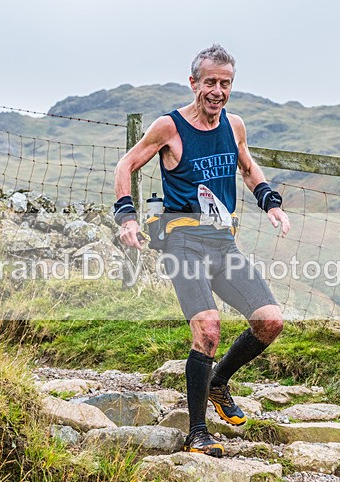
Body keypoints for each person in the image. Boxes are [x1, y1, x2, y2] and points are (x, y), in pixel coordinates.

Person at [114, 44, 290, 457]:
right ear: (193, 83)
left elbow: (247, 167)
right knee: (208, 329)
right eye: (210, 82)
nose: (217, 91)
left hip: (222, 242)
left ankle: (218, 382)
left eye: (225, 83)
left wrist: (270, 202)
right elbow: (126, 165)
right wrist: (127, 217)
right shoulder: (169, 127)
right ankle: (197, 433)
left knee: (270, 322)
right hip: (183, 242)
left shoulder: (234, 125)